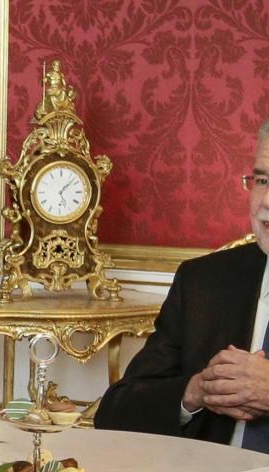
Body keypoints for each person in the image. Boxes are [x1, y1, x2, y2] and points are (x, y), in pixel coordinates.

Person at [94, 118, 269, 452]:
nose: (266, 202)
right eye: (262, 180)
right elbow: (115, 413)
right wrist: (194, 392)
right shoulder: (204, 282)